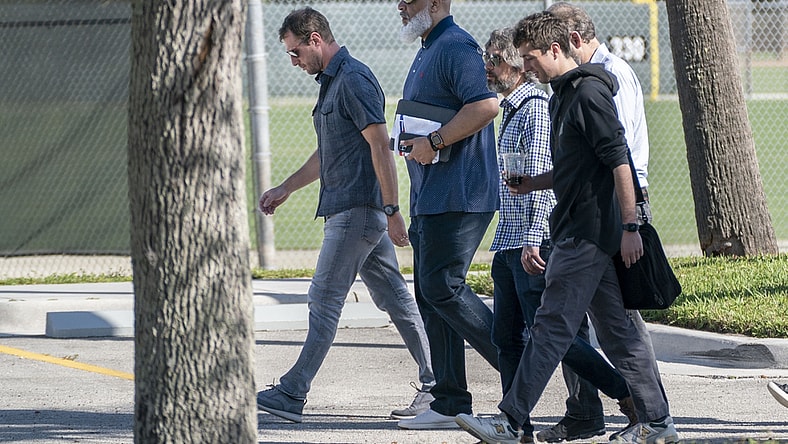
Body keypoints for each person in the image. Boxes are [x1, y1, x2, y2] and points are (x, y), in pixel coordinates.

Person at [455, 11, 679, 444]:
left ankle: (510, 420)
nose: (526, 67)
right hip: (582, 231)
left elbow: (619, 161)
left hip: (588, 234)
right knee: (621, 334)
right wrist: (534, 183)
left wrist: (630, 226)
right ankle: (658, 423)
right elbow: (576, 167)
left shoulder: (589, 94)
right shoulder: (562, 94)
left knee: (550, 326)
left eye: (531, 57)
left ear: (557, 49)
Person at [255, 7, 435, 424]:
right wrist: (286, 188)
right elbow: (329, 152)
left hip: (357, 212)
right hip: (353, 210)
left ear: (315, 39)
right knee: (395, 298)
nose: (294, 61)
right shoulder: (333, 83)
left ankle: (293, 391)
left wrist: (392, 211)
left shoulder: (352, 79)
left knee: (323, 298)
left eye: (295, 52)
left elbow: (380, 146)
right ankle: (437, 385)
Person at [483, 27, 637, 443]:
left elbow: (614, 160)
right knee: (515, 337)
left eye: (495, 61)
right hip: (529, 236)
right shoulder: (534, 103)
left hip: (554, 238)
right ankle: (520, 424)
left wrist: (631, 225)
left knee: (554, 334)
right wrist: (528, 189)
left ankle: (629, 402)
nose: (488, 69)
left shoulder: (554, 101)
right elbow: (556, 174)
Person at [537, 3, 665, 441]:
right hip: (583, 213)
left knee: (622, 321)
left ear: (569, 41)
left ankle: (649, 413)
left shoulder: (609, 77)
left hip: (615, 208)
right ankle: (589, 410)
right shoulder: (573, 86)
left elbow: (618, 156)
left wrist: (629, 225)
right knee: (577, 319)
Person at [393, 0, 502, 430]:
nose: (401, 5)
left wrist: (435, 141)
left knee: (442, 287)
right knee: (429, 293)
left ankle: (522, 369)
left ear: (436, 3)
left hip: (460, 194)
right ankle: (450, 401)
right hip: (430, 196)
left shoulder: (456, 46)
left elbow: (485, 106)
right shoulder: (428, 47)